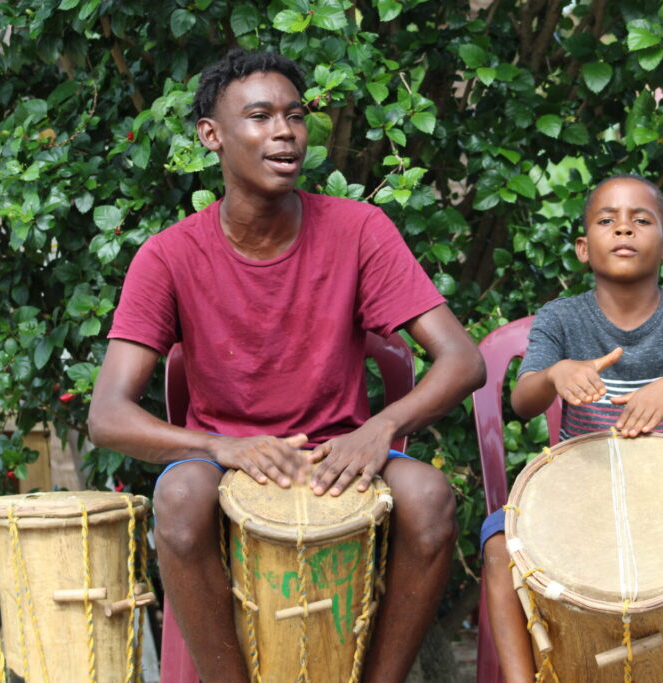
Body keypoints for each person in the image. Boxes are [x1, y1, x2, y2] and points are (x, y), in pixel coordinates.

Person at [88, 49, 485, 683]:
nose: (284, 131)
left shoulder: (358, 230)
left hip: (338, 455)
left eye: (295, 115)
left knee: (432, 497)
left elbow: (462, 360)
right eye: (260, 116)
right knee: (180, 493)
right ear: (211, 136)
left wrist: (379, 428)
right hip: (227, 457)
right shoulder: (168, 257)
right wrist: (223, 447)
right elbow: (107, 416)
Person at [480, 174, 663, 683]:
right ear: (581, 248)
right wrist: (554, 373)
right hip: (579, 496)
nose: (623, 230)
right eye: (606, 220)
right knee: (499, 544)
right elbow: (523, 404)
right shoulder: (560, 319)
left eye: (641, 220)